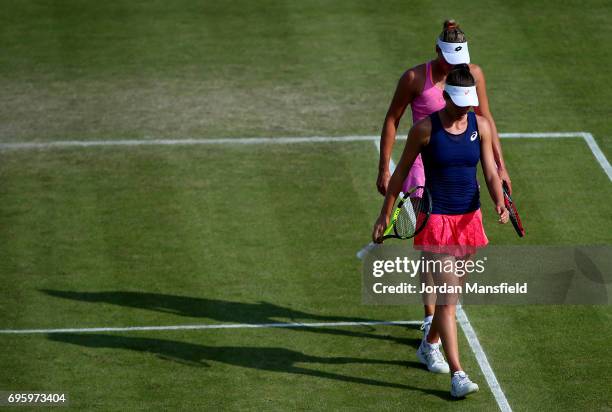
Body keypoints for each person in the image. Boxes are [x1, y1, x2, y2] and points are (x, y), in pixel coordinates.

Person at [371, 65, 509, 397]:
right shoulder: (424, 130)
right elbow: (401, 173)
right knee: (448, 299)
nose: (465, 109)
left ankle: (429, 343)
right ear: (446, 97)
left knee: (454, 295)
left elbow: (489, 171)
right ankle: (458, 375)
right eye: (460, 102)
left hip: (469, 220)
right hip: (436, 221)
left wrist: (498, 202)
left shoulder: (482, 126)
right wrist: (383, 216)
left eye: (469, 102)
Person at [376, 19, 512, 342]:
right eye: (451, 61)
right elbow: (393, 119)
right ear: (438, 52)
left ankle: (439, 316)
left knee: (458, 249)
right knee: (431, 249)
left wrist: (501, 165)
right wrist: (384, 166)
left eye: (460, 61)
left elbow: (485, 119)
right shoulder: (413, 78)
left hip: (459, 169)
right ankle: (429, 316)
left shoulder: (471, 75)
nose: (456, 67)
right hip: (423, 172)